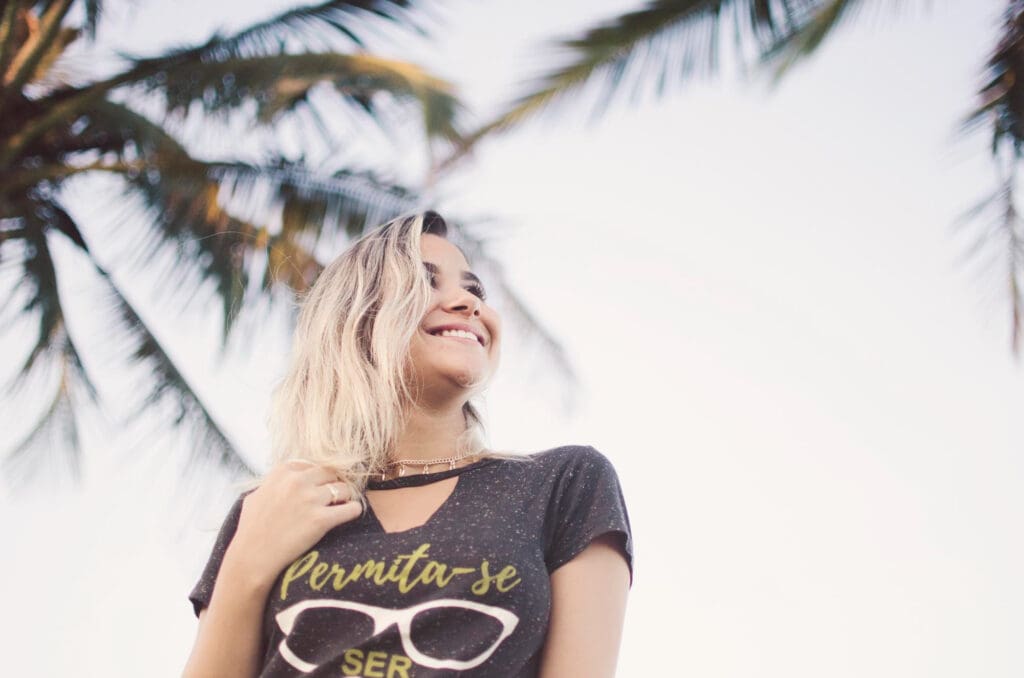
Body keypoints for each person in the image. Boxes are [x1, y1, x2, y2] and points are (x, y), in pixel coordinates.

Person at [182, 210, 633, 677]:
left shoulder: (565, 485)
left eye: (475, 290)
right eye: (424, 282)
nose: (467, 302)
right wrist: (244, 568)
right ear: (355, 319)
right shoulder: (275, 505)